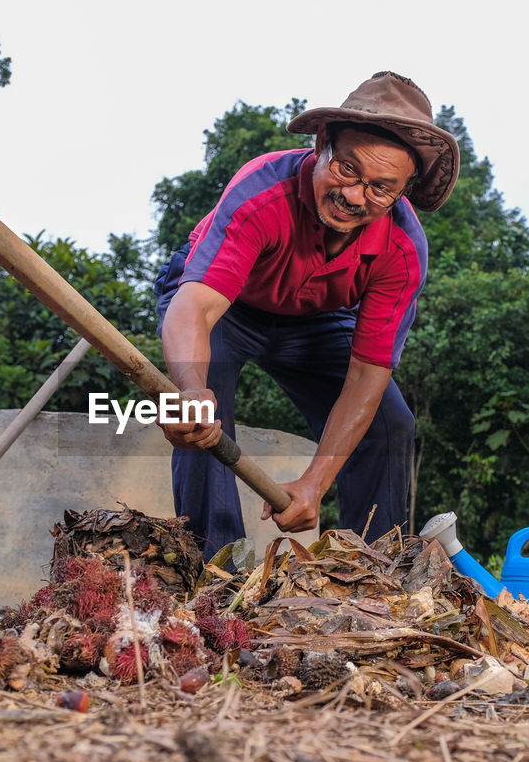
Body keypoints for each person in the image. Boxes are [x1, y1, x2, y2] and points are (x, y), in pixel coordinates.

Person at [154, 71, 459, 559]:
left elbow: (366, 373)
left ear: (403, 191)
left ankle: (371, 575)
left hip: (316, 318)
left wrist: (315, 483)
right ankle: (214, 575)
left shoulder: (403, 249)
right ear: (322, 144)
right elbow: (196, 306)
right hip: (221, 302)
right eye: (347, 171)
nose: (357, 196)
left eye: (382, 188)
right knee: (200, 417)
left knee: (390, 423)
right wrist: (189, 392)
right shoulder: (262, 190)